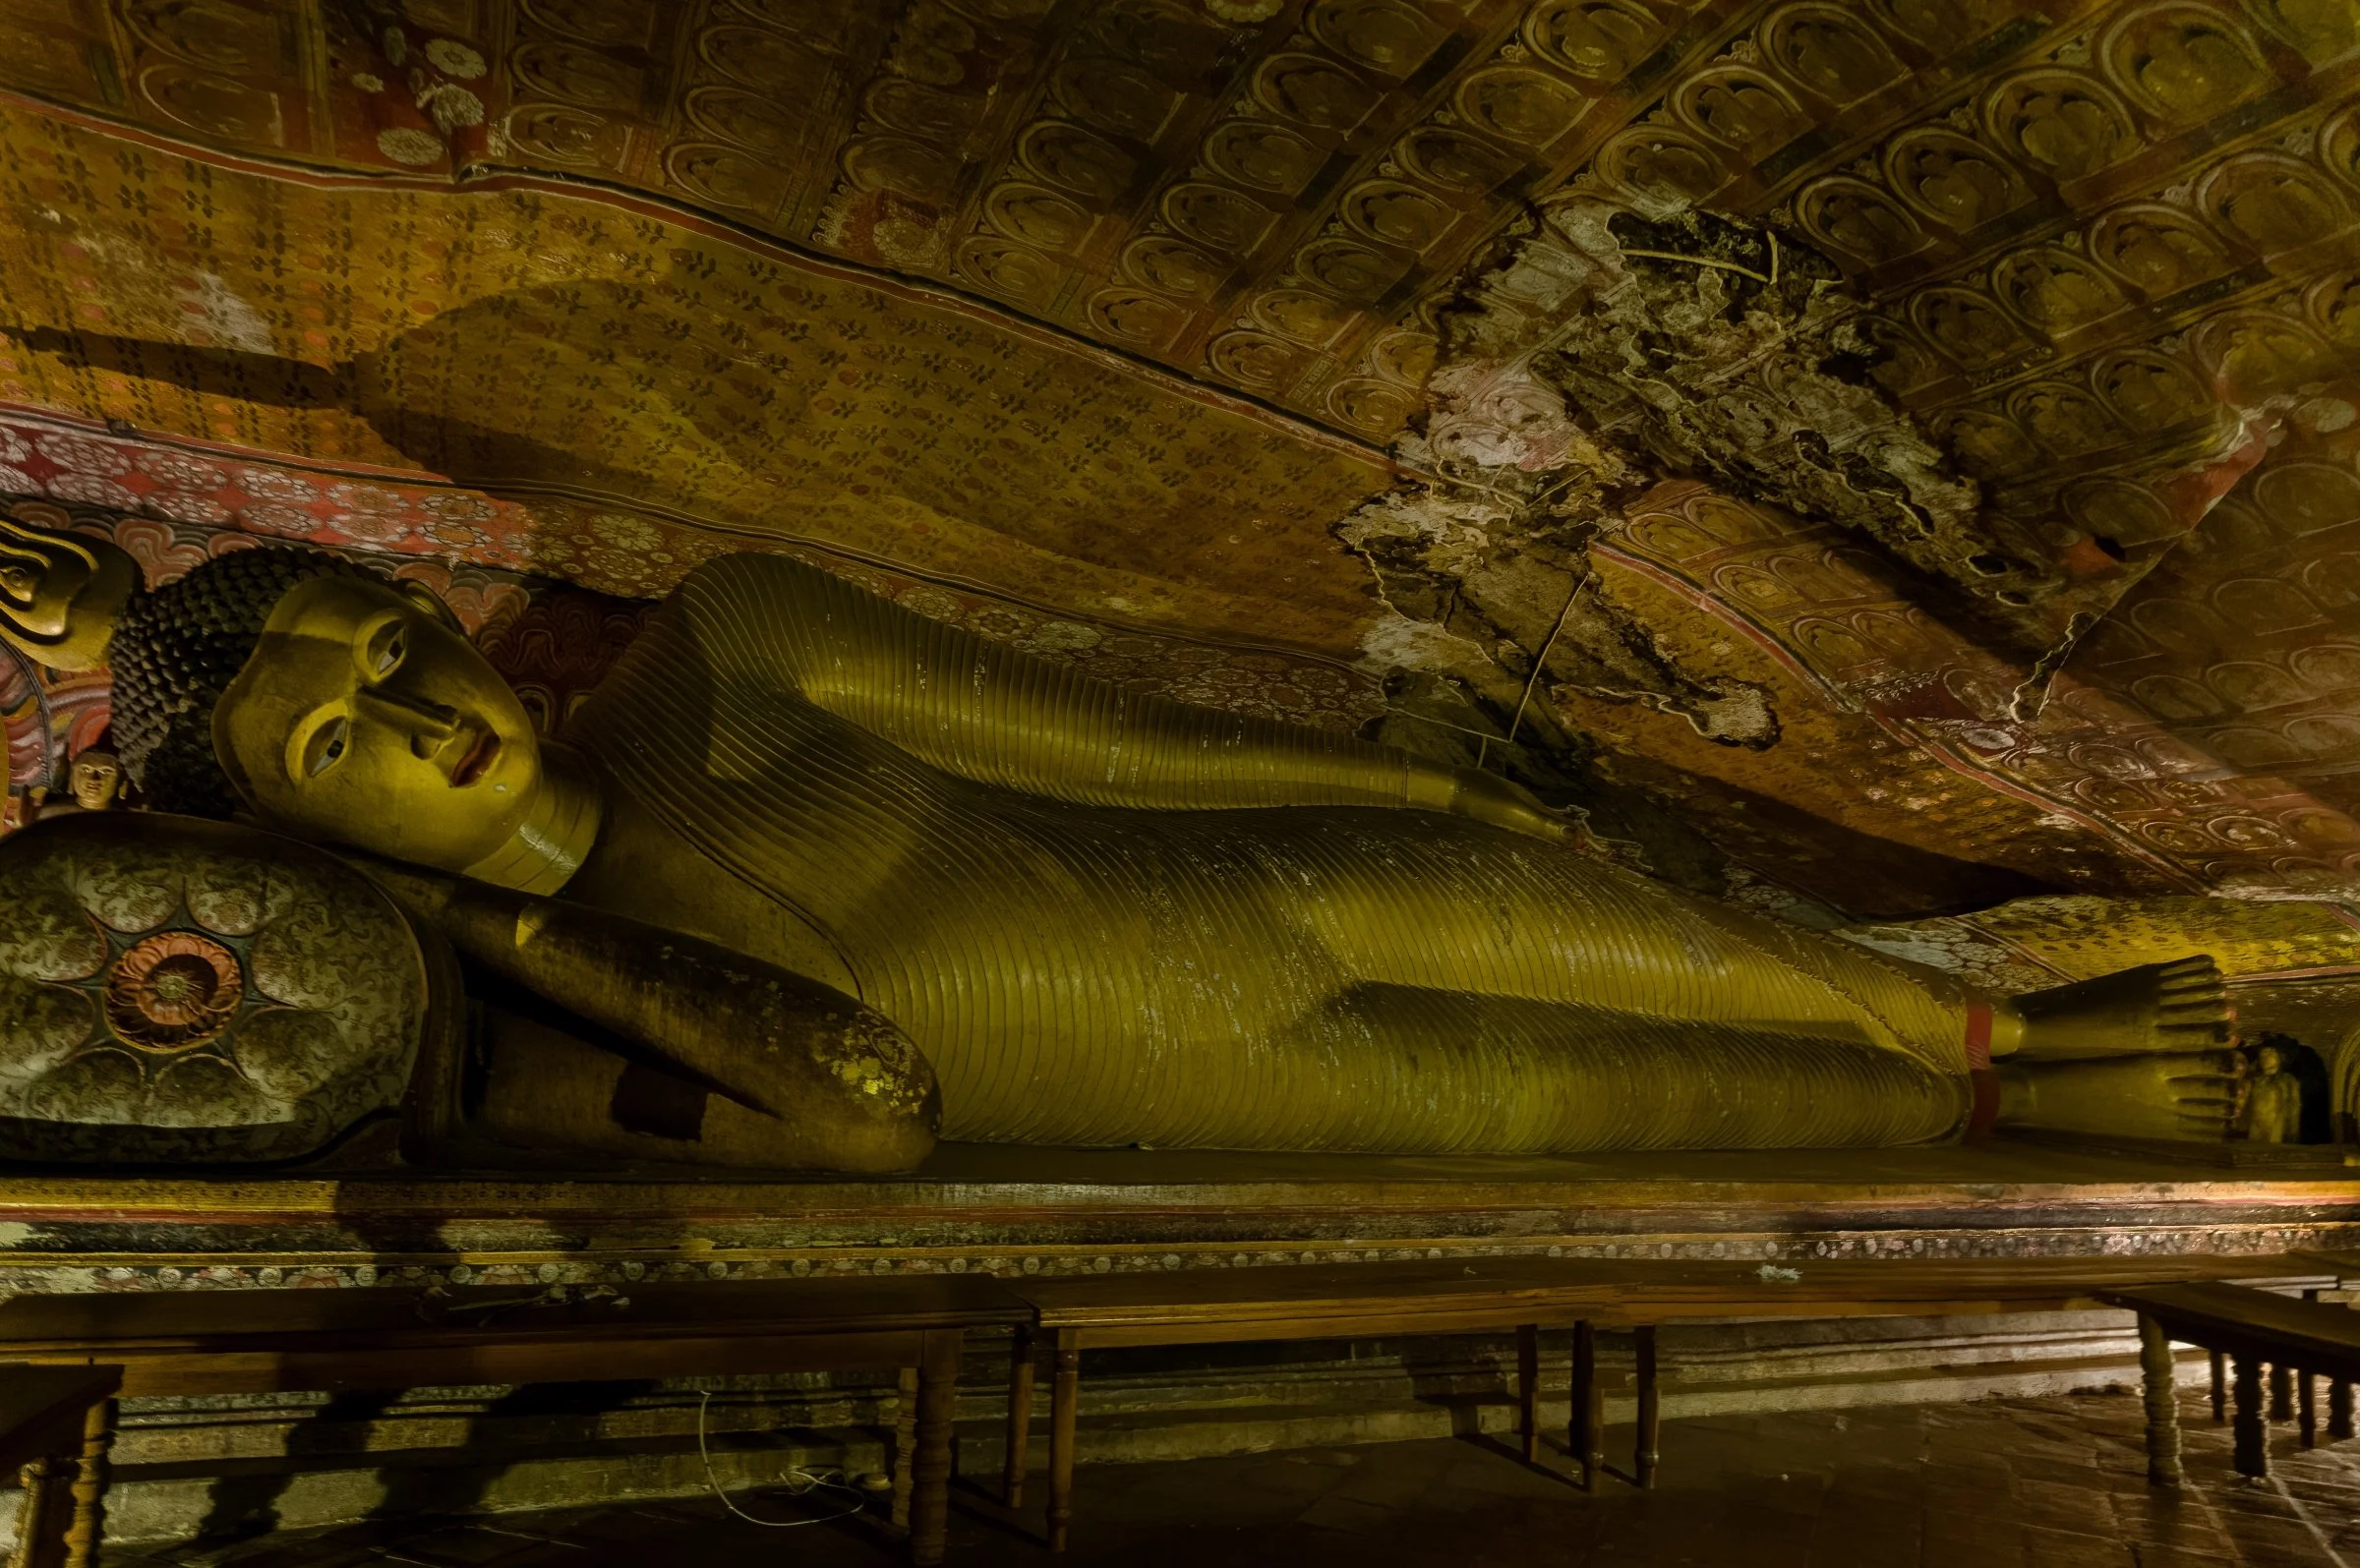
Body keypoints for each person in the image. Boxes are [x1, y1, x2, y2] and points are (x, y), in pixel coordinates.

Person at [21, 539, 2247, 1169]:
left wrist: (1428, 788)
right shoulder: (536, 1002)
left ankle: (2009, 1019)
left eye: (401, 643)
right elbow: (856, 1108)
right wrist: (447, 907)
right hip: (1215, 1075)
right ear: (293, 825)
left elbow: (1126, 743)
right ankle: (2000, 1090)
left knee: (1696, 944)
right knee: (1707, 1097)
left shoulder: (729, 638)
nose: (431, 716)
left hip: (1265, 881)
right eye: (347, 744)